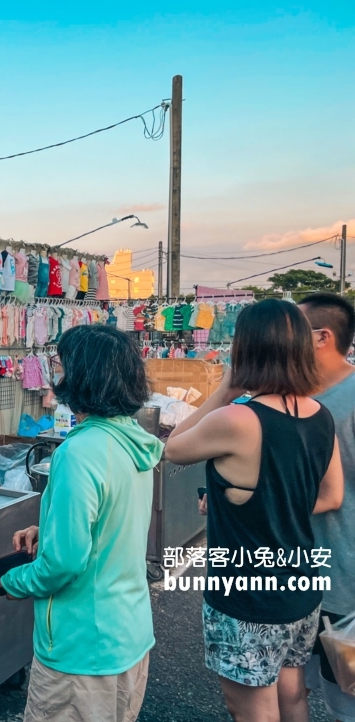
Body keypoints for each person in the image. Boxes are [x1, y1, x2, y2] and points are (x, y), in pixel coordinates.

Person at [166, 299, 343, 722]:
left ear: (245, 350)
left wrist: (227, 387)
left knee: (251, 709)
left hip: (248, 594)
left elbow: (173, 447)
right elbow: (331, 495)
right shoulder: (321, 415)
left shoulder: (237, 419)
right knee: (292, 694)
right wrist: (256, 505)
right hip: (301, 584)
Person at [0, 324, 163, 722]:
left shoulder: (80, 451)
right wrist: (45, 529)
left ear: (81, 377)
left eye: (63, 367)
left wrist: (14, 583)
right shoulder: (131, 440)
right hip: (128, 636)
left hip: (81, 650)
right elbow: (110, 523)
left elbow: (64, 563)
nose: (58, 376)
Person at [299, 292, 355, 721]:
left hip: (346, 589)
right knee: (313, 690)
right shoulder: (299, 400)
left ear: (321, 337)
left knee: (345, 700)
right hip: (305, 582)